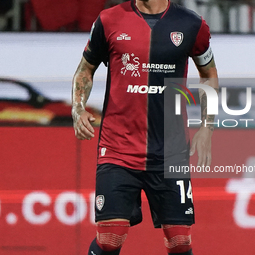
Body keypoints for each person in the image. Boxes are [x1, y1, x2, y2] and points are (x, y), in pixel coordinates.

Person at [72, 0, 219, 254]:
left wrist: (207, 126)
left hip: (171, 152)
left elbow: (209, 74)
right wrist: (78, 108)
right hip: (118, 148)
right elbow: (86, 69)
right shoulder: (109, 20)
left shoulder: (193, 25)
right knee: (109, 238)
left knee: (180, 242)